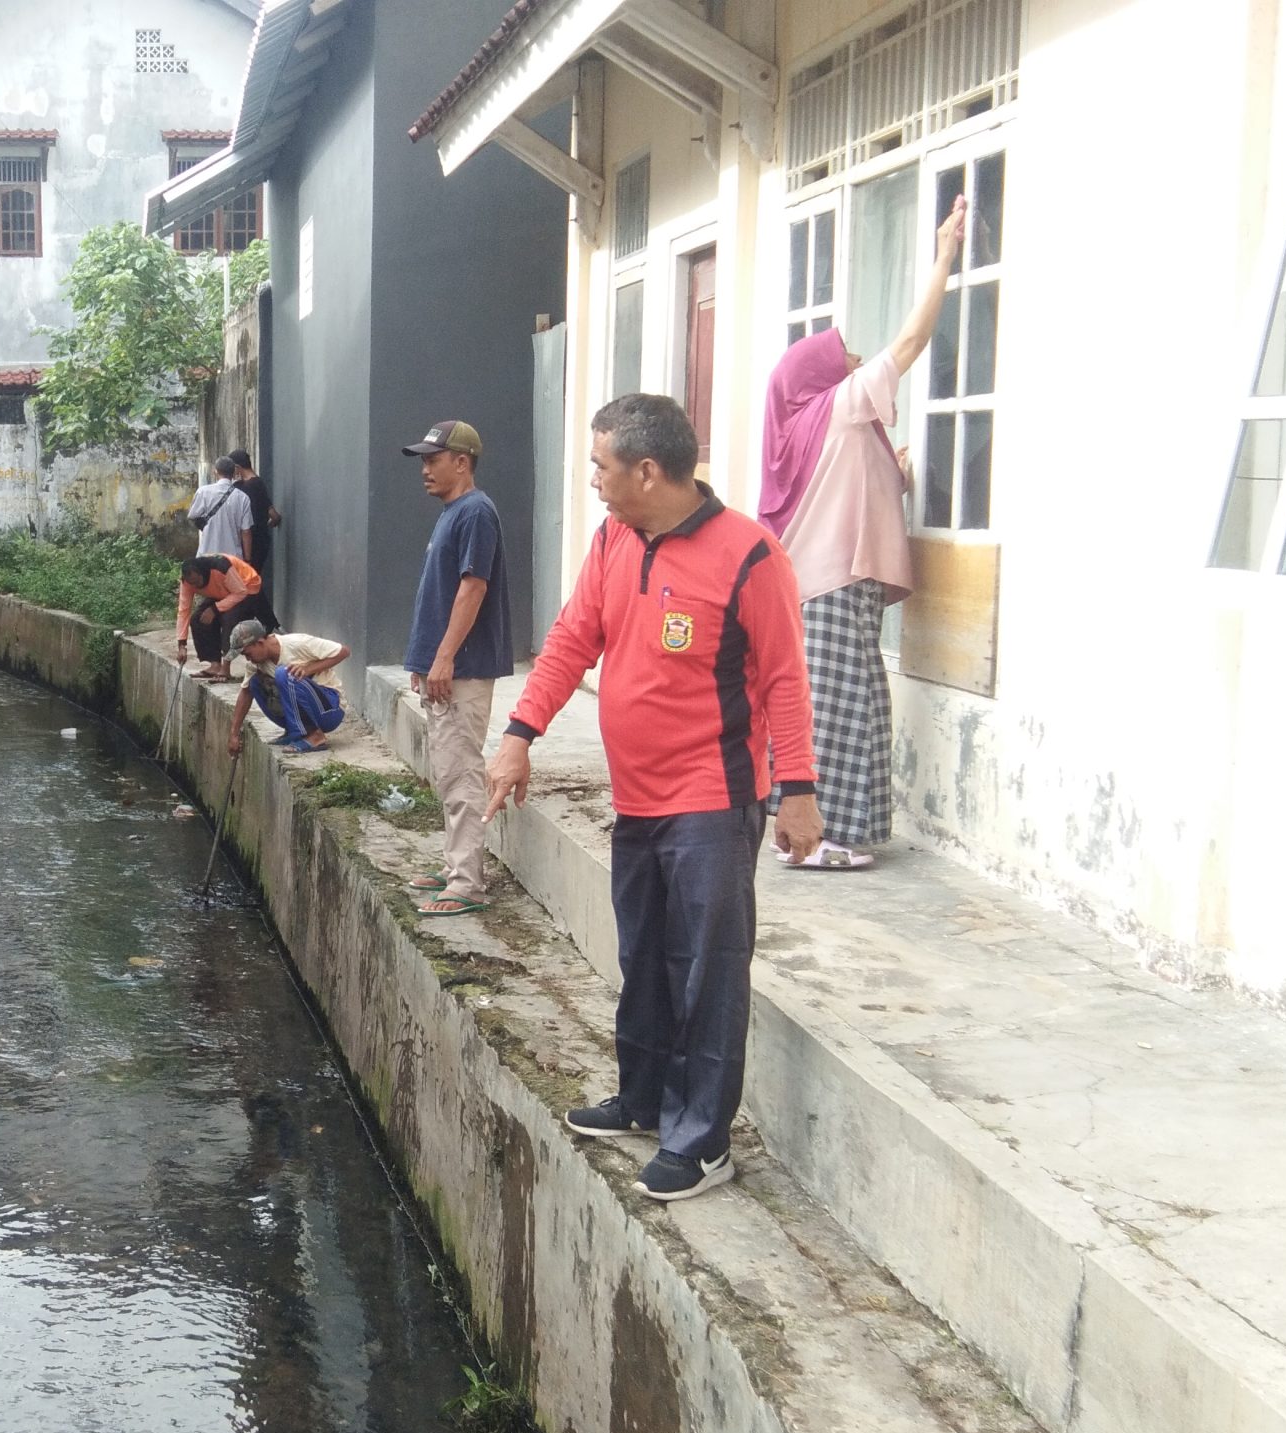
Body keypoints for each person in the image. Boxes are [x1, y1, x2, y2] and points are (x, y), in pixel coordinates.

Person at [484, 394, 822, 1203]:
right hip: (635, 797)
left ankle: (703, 1140)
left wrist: (799, 793)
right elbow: (573, 639)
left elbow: (783, 680)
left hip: (712, 797)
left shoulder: (750, 555)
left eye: (600, 465)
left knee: (708, 967)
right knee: (644, 957)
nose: (592, 480)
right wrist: (520, 731)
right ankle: (643, 1099)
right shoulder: (613, 538)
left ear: (645, 469)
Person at [758, 195, 967, 871]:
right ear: (819, 381)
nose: (854, 367)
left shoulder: (803, 428)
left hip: (814, 589)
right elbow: (909, 344)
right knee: (843, 717)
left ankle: (808, 837)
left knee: (834, 712)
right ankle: (826, 840)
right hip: (833, 587)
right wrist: (943, 258)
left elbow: (852, 490)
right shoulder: (841, 410)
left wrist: (894, 475)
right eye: (844, 361)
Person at [399, 420, 512, 918]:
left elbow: (473, 587)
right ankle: (454, 867)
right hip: (444, 667)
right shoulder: (454, 512)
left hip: (462, 668)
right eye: (423, 460)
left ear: (461, 462)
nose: (425, 468)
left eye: (433, 459)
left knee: (461, 770)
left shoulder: (475, 513)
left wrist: (443, 657)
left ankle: (467, 881)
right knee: (448, 771)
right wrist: (425, 661)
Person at [224, 618, 349, 755]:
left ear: (259, 643)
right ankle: (295, 731)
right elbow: (245, 694)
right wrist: (233, 734)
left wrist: (308, 669)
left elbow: (343, 651)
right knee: (255, 682)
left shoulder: (297, 643)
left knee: (285, 674)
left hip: (331, 708)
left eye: (248, 654)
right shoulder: (256, 664)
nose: (248, 659)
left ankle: (315, 736)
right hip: (311, 710)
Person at [174, 554, 273, 682]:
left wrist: (215, 609)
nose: (196, 586)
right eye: (192, 583)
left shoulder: (220, 567)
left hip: (247, 588)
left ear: (202, 573)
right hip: (224, 592)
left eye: (197, 582)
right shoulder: (187, 582)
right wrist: (182, 645)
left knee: (229, 619)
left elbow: (240, 592)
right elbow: (183, 611)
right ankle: (215, 665)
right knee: (198, 619)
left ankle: (225, 668)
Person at [229, 449, 280, 608]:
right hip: (261, 540)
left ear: (237, 467)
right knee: (251, 581)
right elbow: (274, 515)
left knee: (248, 584)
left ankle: (267, 620)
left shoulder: (242, 488)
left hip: (249, 543)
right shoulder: (258, 483)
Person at [190, 457, 252, 562]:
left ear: (215, 472)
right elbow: (246, 531)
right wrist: (247, 559)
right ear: (233, 473)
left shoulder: (203, 492)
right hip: (233, 558)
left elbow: (193, 516)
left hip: (206, 555)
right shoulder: (243, 497)